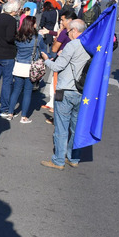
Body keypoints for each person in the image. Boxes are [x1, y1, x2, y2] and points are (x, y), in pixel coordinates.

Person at [40, 19, 90, 170]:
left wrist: (46, 60)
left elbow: (57, 66)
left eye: (68, 31)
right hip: (82, 91)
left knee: (61, 127)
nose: (67, 34)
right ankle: (73, 157)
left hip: (66, 90)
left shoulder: (72, 45)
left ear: (74, 30)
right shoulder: (90, 44)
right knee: (76, 127)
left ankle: (58, 160)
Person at [6, 16, 50, 123]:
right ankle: (24, 116)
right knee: (27, 92)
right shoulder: (37, 38)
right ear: (32, 25)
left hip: (18, 65)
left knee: (16, 90)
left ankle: (10, 113)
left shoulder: (18, 37)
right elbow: (43, 51)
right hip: (31, 67)